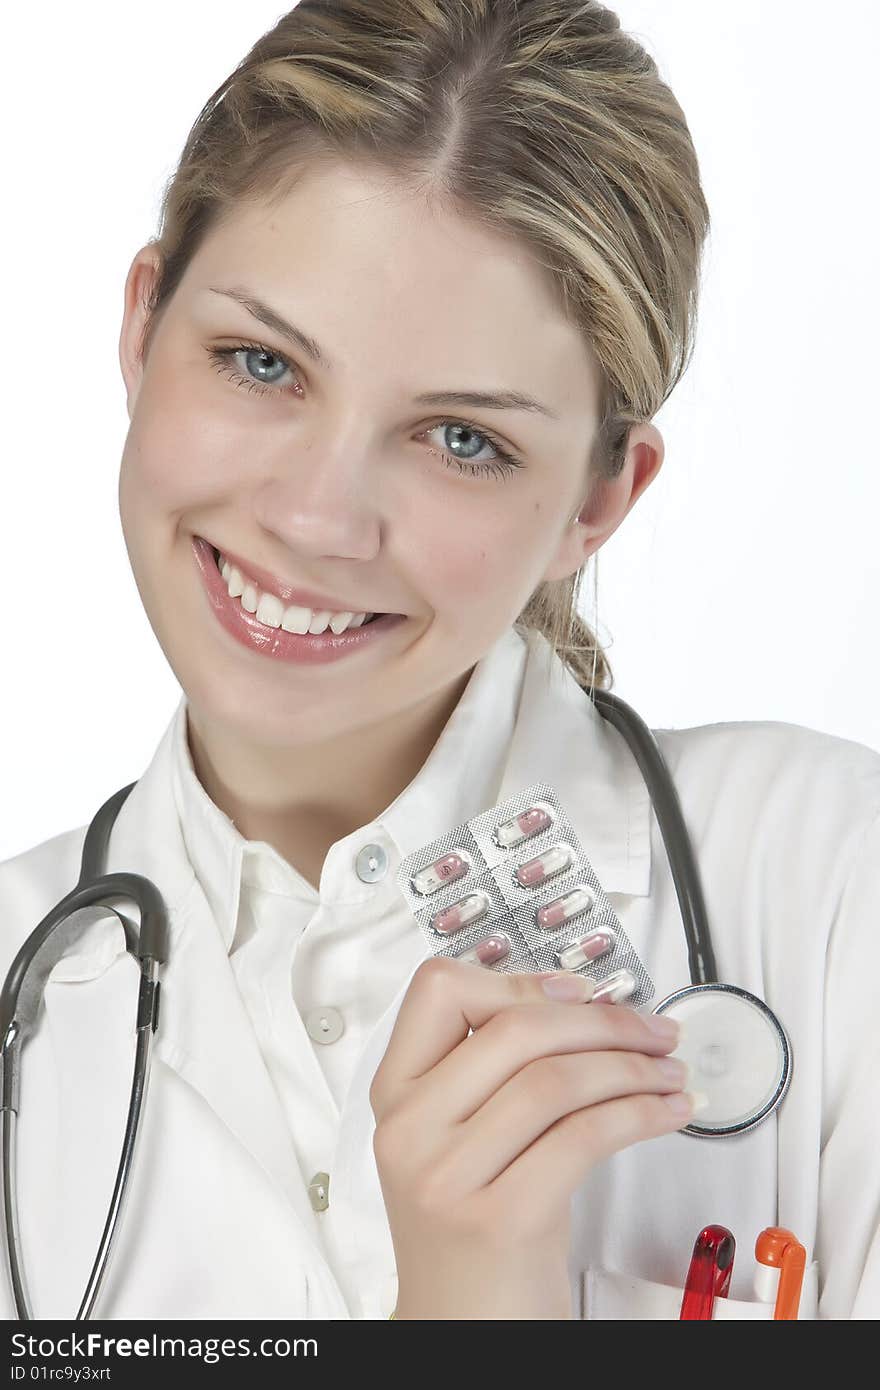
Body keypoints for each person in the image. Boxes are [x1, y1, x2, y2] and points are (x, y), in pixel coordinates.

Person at [1, 0, 877, 1321]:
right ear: (141, 323)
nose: (314, 519)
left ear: (600, 499)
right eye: (260, 362)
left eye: (463, 438)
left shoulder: (829, 898)